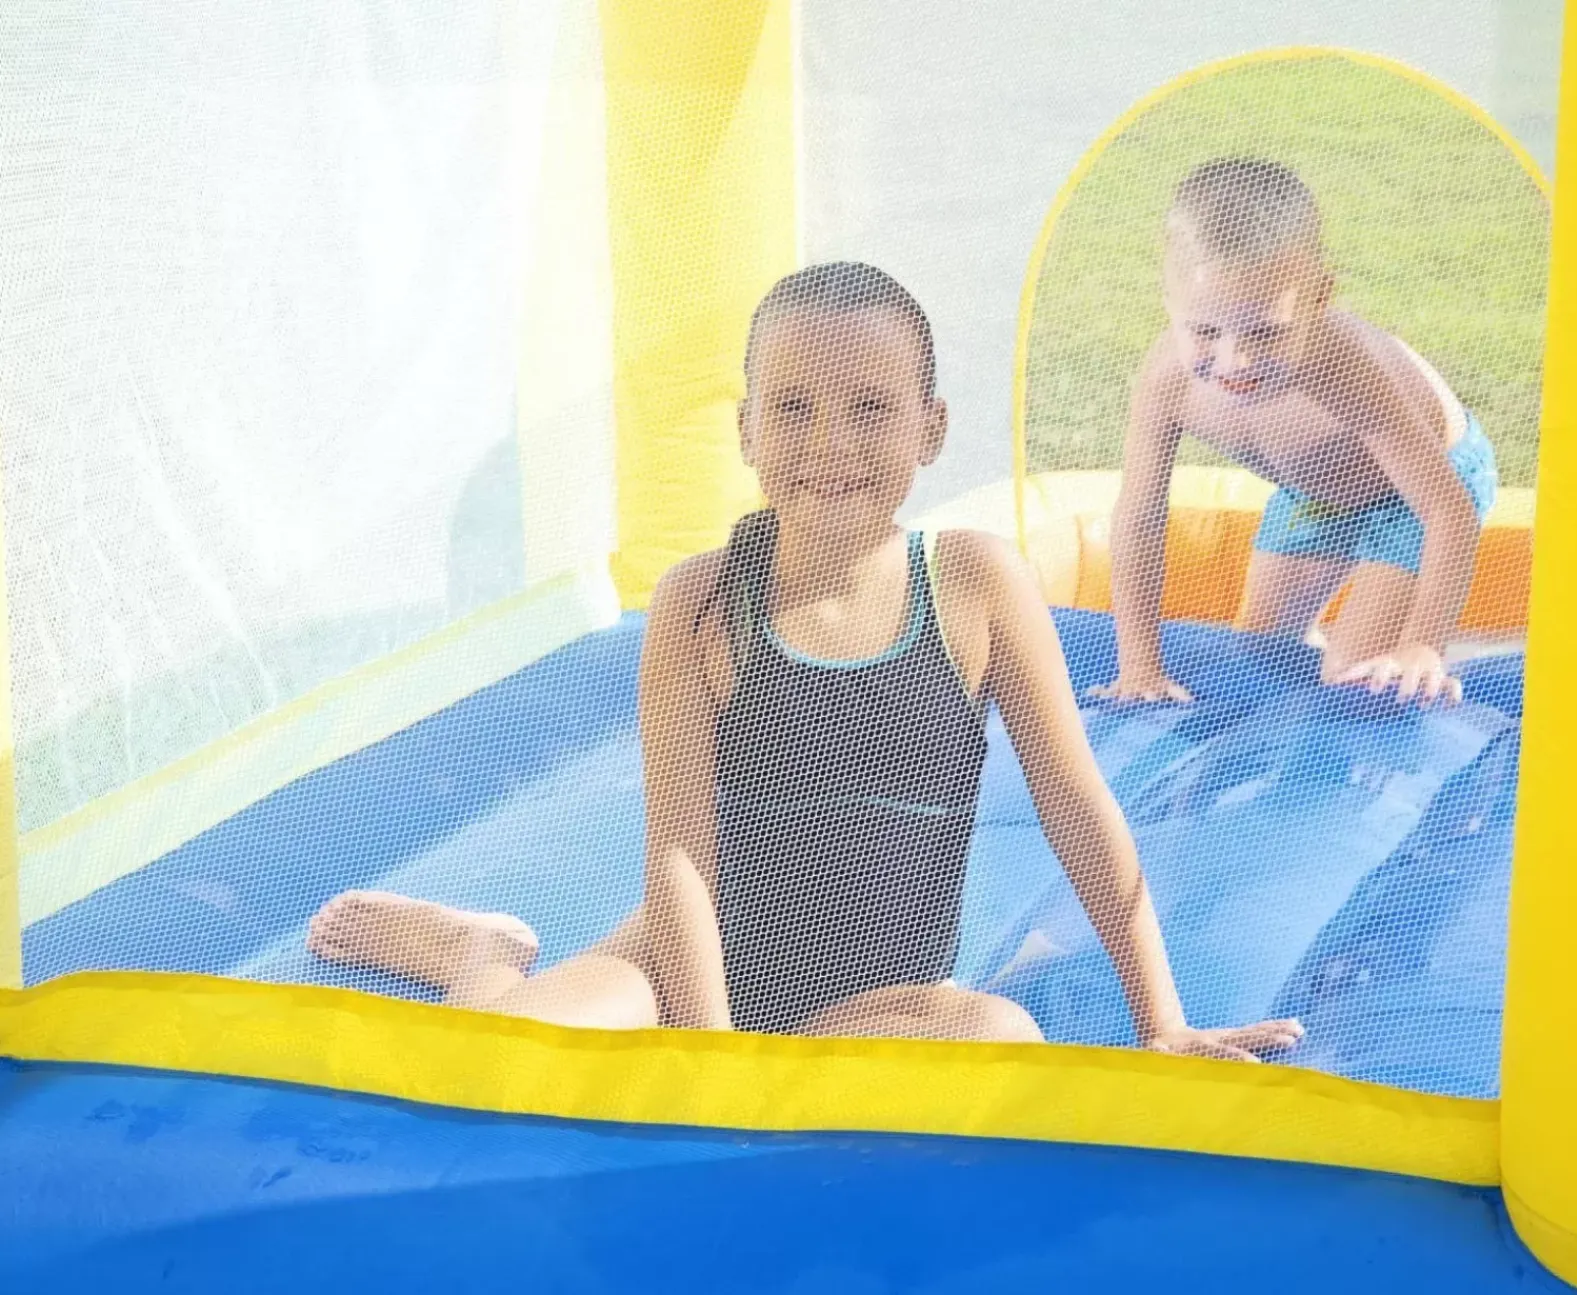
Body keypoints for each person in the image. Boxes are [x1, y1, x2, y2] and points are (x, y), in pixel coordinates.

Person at [308, 262, 1301, 1062]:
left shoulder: (974, 585)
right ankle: (479, 949)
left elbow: (1076, 803)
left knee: (1002, 1037)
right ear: (745, 430)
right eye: (792, 408)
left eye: (870, 407)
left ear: (931, 427)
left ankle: (747, 1045)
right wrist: (712, 1054)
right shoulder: (701, 602)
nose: (831, 442)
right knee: (502, 1057)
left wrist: (1162, 1019)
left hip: (874, 998)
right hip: (683, 968)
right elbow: (680, 853)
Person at [1094, 158, 1498, 708]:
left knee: (1359, 678)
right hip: (1316, 490)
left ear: (1318, 297)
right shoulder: (1167, 383)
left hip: (1421, 492)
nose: (1234, 361)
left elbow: (1448, 510)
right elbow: (1140, 517)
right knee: (1260, 655)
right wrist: (1140, 665)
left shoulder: (1340, 368)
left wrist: (1423, 644)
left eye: (1265, 332)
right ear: (1170, 305)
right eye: (1205, 330)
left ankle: (1442, 680)